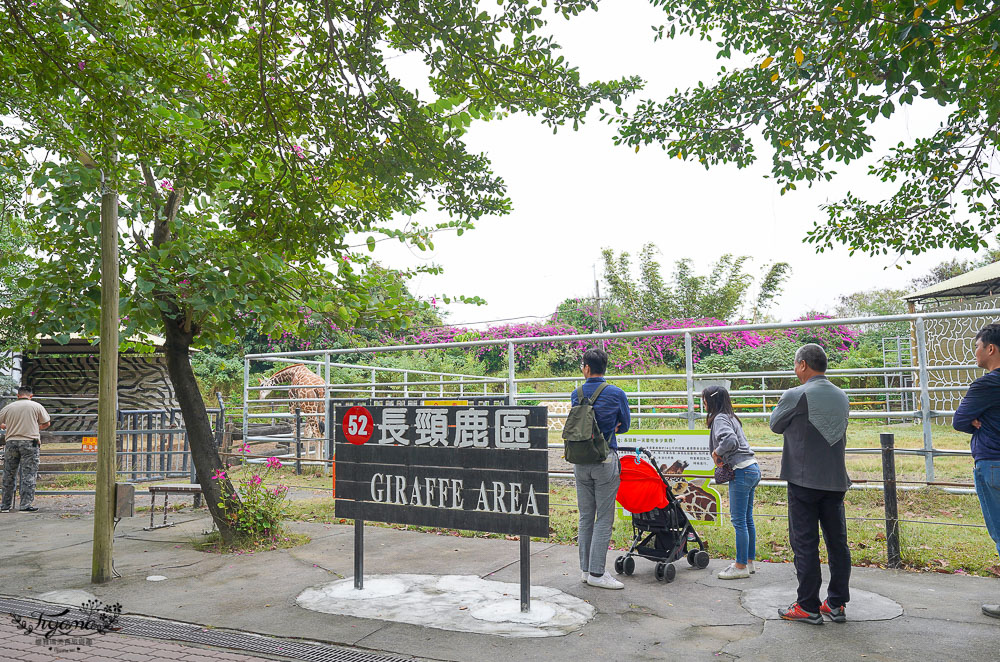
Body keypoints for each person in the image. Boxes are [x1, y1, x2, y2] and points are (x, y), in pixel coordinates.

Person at [769, 343, 851, 625]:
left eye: (795, 365)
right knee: (837, 542)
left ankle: (807, 605)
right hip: (836, 480)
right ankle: (837, 603)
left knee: (805, 543)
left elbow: (775, 424)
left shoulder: (796, 394)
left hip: (804, 480)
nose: (795, 370)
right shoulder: (842, 396)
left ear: (803, 364)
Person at [572, 347, 631, 590]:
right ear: (604, 368)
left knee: (586, 516)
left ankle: (586, 571)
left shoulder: (576, 393)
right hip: (605, 460)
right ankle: (598, 572)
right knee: (604, 518)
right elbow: (625, 425)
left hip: (579, 460)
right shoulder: (616, 393)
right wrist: (613, 426)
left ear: (586, 368)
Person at [952, 323, 1000, 620]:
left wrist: (975, 421)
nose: (976, 352)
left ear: (991, 348)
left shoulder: (986, 384)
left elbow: (959, 420)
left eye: (978, 347)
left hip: (993, 462)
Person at [703, 385, 760, 580]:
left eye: (704, 399)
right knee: (747, 519)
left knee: (738, 521)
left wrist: (716, 452)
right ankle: (748, 562)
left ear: (711, 401)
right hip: (752, 468)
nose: (703, 403)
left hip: (741, 471)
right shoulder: (731, 417)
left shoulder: (719, 418)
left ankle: (740, 565)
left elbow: (730, 441)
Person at [1, 385, 51, 513]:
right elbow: (46, 423)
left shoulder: (8, 407)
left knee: (9, 473)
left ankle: (5, 505)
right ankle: (25, 505)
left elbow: (0, 423)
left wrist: (6, 426)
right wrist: (35, 427)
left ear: (18, 395)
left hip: (11, 442)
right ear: (31, 396)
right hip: (30, 442)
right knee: (29, 473)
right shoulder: (36, 406)